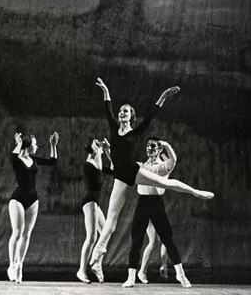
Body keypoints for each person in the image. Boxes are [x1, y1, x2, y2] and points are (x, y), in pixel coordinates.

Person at [89, 77, 214, 271]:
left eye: (126, 111)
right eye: (121, 110)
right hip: (120, 176)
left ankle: (196, 192)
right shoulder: (114, 128)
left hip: (133, 171)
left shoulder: (136, 131)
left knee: (166, 183)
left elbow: (151, 115)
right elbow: (107, 108)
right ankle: (99, 253)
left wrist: (163, 95)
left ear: (131, 117)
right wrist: (105, 90)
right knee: (111, 218)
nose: (121, 113)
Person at [123, 136, 191, 288]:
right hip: (142, 203)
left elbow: (173, 160)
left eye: (153, 146)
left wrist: (166, 145)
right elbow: (123, 165)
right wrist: (109, 152)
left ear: (159, 150)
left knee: (167, 239)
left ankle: (181, 275)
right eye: (147, 146)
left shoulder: (163, 166)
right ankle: (131, 277)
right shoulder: (141, 166)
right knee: (136, 240)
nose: (149, 149)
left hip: (156, 204)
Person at [7, 131, 59, 284]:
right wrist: (18, 143)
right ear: (28, 145)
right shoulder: (17, 159)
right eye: (35, 143)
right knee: (17, 232)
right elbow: (13, 157)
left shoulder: (34, 159)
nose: (37, 146)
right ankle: (12, 264)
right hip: (18, 198)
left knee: (27, 234)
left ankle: (19, 265)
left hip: (32, 198)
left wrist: (53, 145)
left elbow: (52, 161)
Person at [76, 138, 113, 284]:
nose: (100, 148)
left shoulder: (97, 164)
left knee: (105, 231)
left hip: (95, 203)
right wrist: (98, 152)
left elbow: (115, 169)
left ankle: (97, 263)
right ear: (93, 149)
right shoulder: (89, 165)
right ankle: (81, 270)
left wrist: (108, 151)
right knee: (91, 237)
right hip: (90, 201)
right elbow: (98, 168)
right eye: (97, 146)